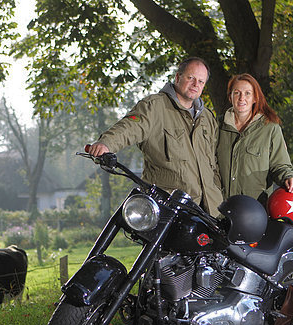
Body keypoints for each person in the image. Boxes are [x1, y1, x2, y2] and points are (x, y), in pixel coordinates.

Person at [88, 57, 224, 216]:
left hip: (210, 210)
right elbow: (130, 127)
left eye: (201, 81)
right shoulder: (154, 107)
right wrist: (106, 144)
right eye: (191, 78)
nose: (196, 84)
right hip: (168, 207)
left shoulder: (207, 117)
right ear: (178, 77)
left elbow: (214, 162)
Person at [216, 73, 293, 205]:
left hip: (254, 210)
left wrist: (289, 177)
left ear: (255, 98)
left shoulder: (270, 128)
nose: (242, 98)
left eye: (247, 93)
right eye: (237, 93)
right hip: (218, 208)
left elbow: (280, 165)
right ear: (230, 97)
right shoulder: (217, 126)